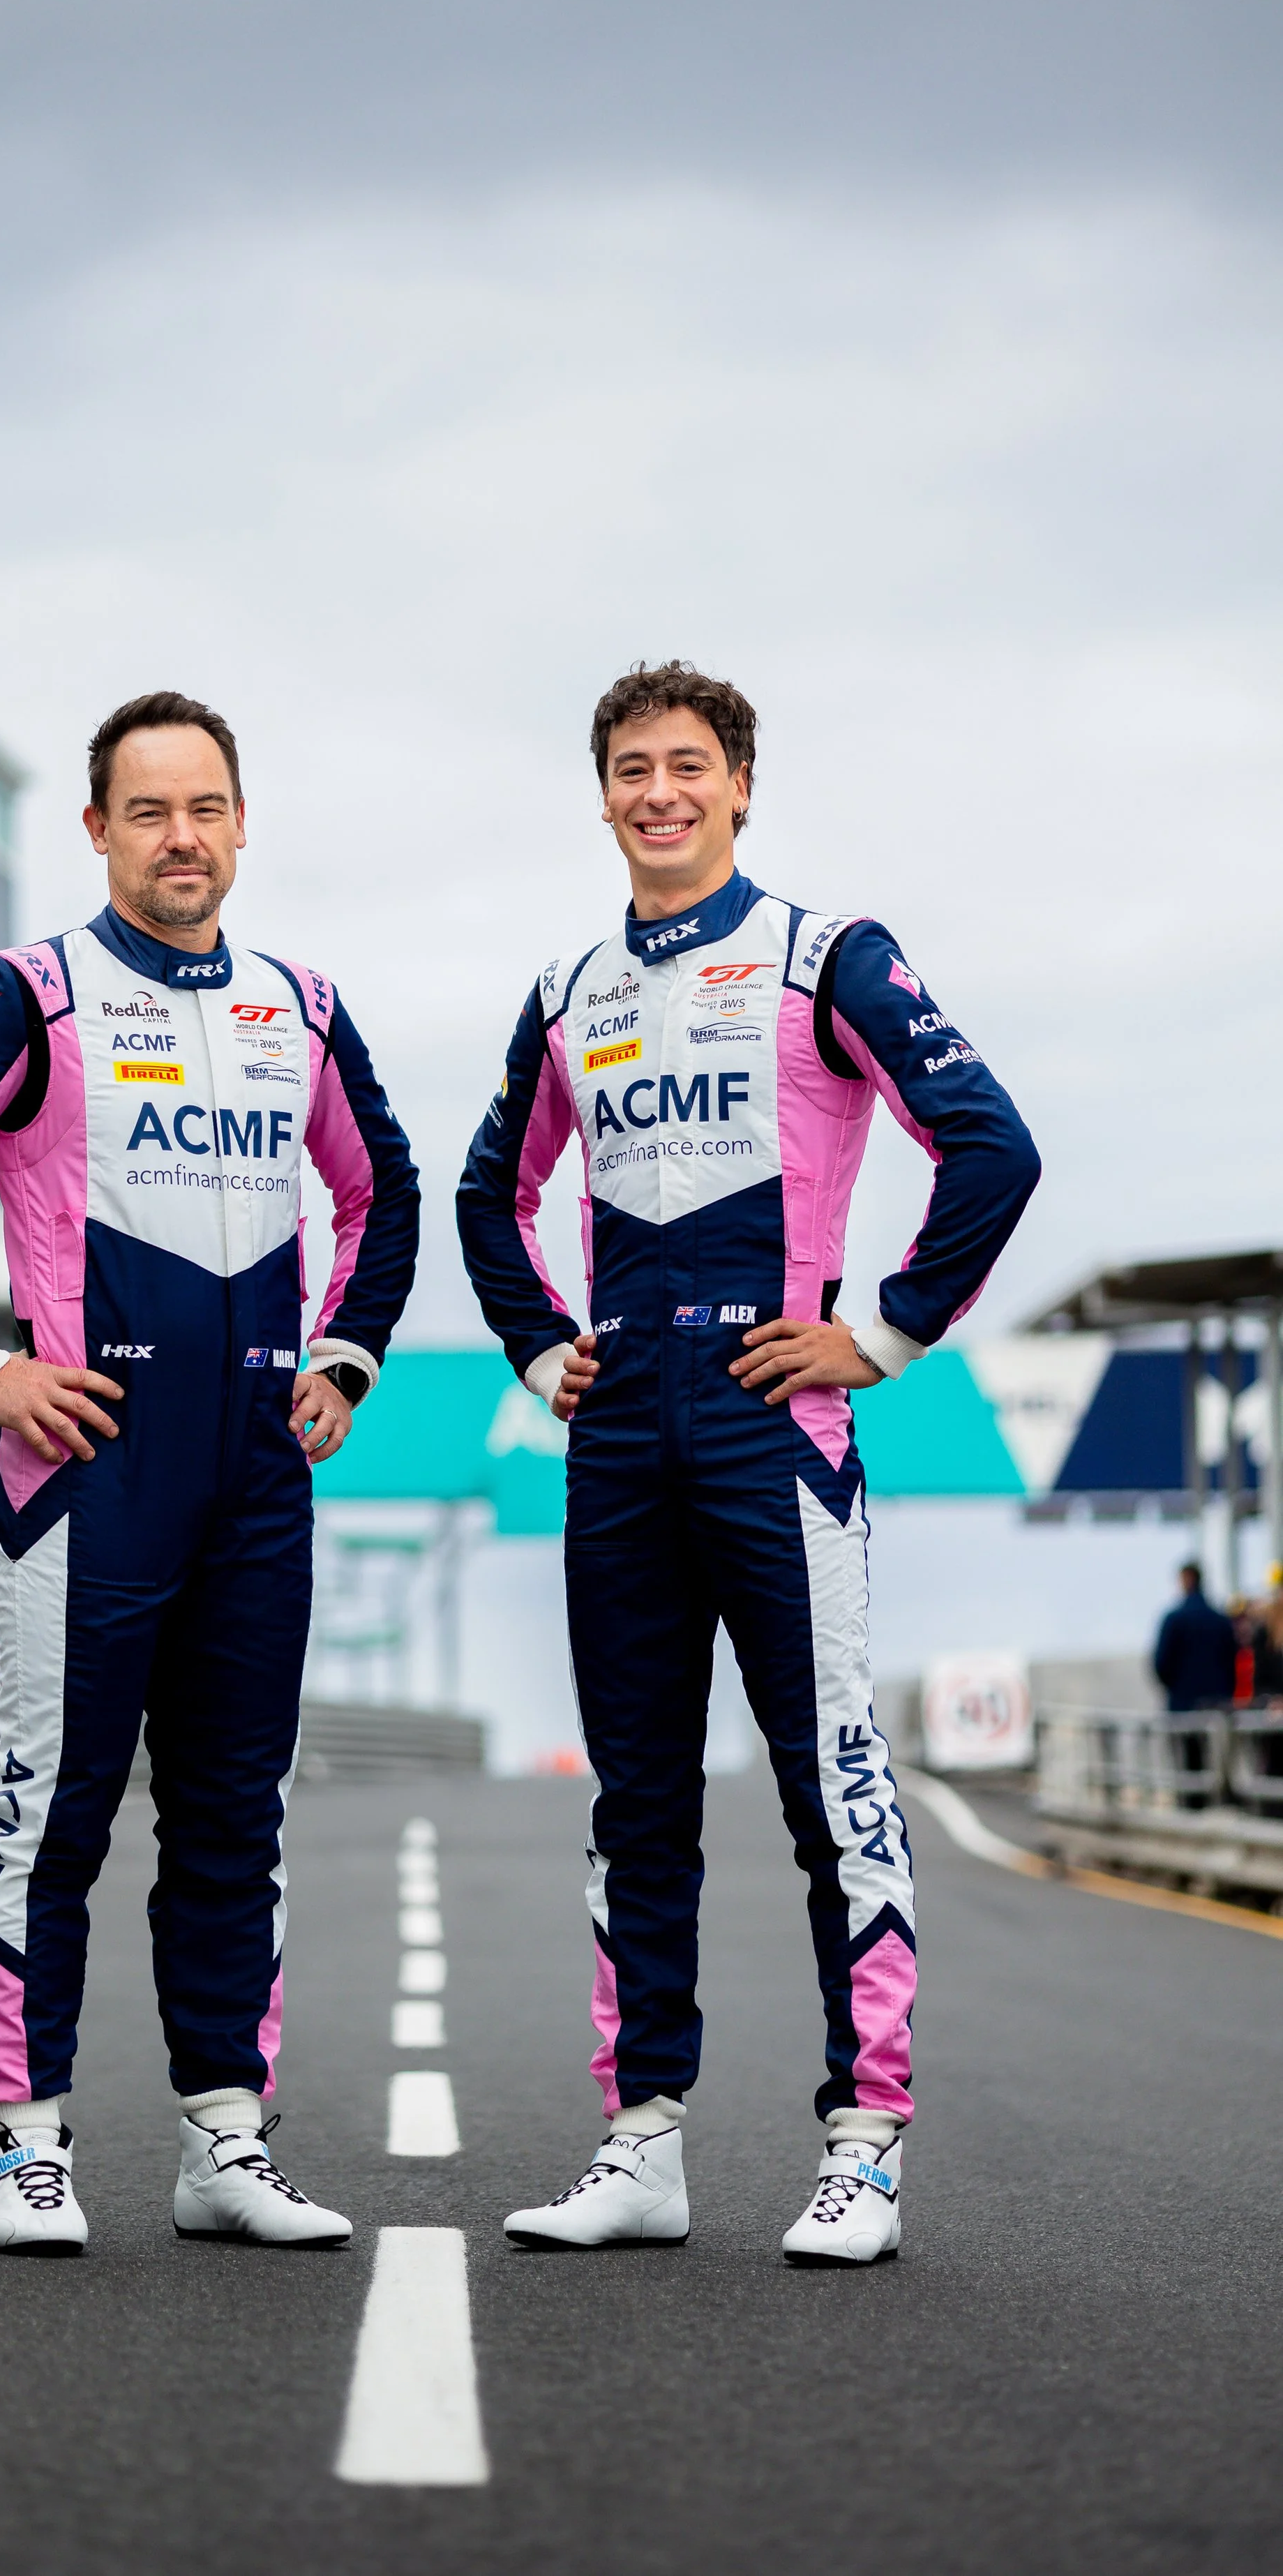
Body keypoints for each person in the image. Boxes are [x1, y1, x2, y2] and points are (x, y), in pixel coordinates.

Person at [456, 661, 1040, 2263]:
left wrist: (884, 1331)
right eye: (630, 768)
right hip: (616, 1429)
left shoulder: (825, 956)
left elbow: (990, 1145)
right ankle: (640, 2141)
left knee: (827, 1781)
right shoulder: (568, 990)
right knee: (636, 1799)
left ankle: (865, 2148)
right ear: (601, 794)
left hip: (772, 1419)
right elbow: (489, 1194)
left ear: (738, 786)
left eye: (687, 765)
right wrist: (538, 1349)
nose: (658, 792)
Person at [0, 689, 418, 2254]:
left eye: (204, 808)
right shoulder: (26, 993)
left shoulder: (303, 1005)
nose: (180, 837)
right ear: (97, 830)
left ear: (242, 823)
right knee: (53, 1812)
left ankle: (227, 2141)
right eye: (147, 811)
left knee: (232, 1820)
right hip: (88, 1467)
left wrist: (346, 1357)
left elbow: (383, 1193)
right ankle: (26, 2143)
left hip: (257, 1476)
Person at [1152, 1564, 1236, 1714]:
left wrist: (1176, 1687)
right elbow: (1232, 1662)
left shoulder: (1174, 1620)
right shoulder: (1221, 1621)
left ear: (1186, 1580)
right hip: (1218, 1704)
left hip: (1183, 1704)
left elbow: (1161, 1664)